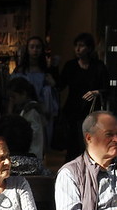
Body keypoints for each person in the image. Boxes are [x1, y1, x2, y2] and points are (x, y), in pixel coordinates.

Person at [57, 32, 109, 161]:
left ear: (89, 48)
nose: (78, 49)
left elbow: (107, 88)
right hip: (73, 110)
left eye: (81, 46)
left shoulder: (98, 66)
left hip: (91, 111)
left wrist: (97, 92)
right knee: (73, 144)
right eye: (76, 46)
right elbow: (60, 85)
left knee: (89, 142)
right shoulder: (71, 65)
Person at [11, 35, 59, 143]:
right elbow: (12, 94)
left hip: (40, 112)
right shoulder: (20, 71)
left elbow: (52, 96)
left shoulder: (46, 71)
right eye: (32, 47)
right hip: (21, 111)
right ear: (27, 49)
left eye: (38, 47)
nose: (35, 50)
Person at [7, 76, 46, 160]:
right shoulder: (24, 109)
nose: (11, 100)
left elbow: (32, 134)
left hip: (32, 152)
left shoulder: (31, 111)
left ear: (24, 94)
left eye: (13, 96)